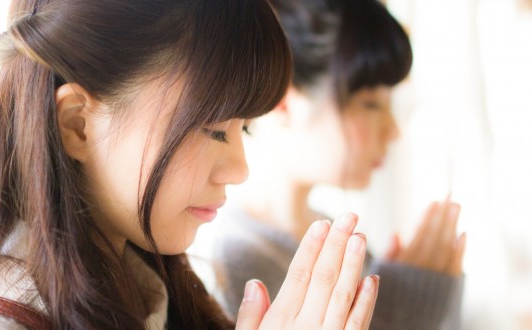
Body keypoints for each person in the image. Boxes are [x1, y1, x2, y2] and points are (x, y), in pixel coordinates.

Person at [0, 0, 380, 329]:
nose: (239, 169)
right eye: (211, 128)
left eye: (243, 129)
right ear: (77, 124)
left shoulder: (149, 286)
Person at [190, 0, 466, 329]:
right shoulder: (232, 266)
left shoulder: (331, 230)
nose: (392, 131)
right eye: (370, 104)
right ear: (285, 104)